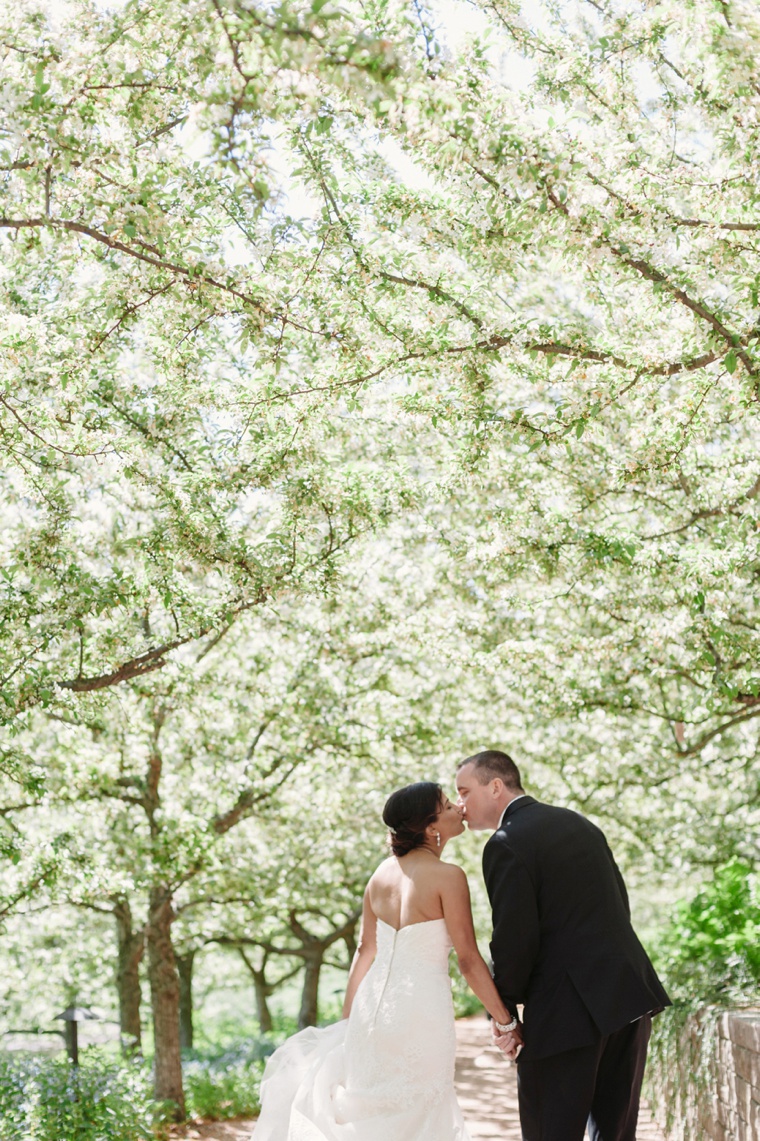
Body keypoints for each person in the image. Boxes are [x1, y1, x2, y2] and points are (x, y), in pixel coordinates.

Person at [253, 781, 517, 1141]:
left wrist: (348, 1022)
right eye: (447, 805)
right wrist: (505, 1021)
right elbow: (468, 960)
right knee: (420, 1111)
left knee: (371, 1113)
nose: (458, 806)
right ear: (430, 826)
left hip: (370, 1013)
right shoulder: (448, 877)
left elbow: (365, 951)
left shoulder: (380, 875)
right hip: (421, 1015)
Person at [456, 749, 671, 1141]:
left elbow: (514, 938)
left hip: (567, 1010)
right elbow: (618, 905)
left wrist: (504, 1015)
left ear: (497, 786)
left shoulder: (505, 842)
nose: (460, 804)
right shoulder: (579, 823)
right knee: (617, 1133)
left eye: (465, 791)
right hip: (627, 995)